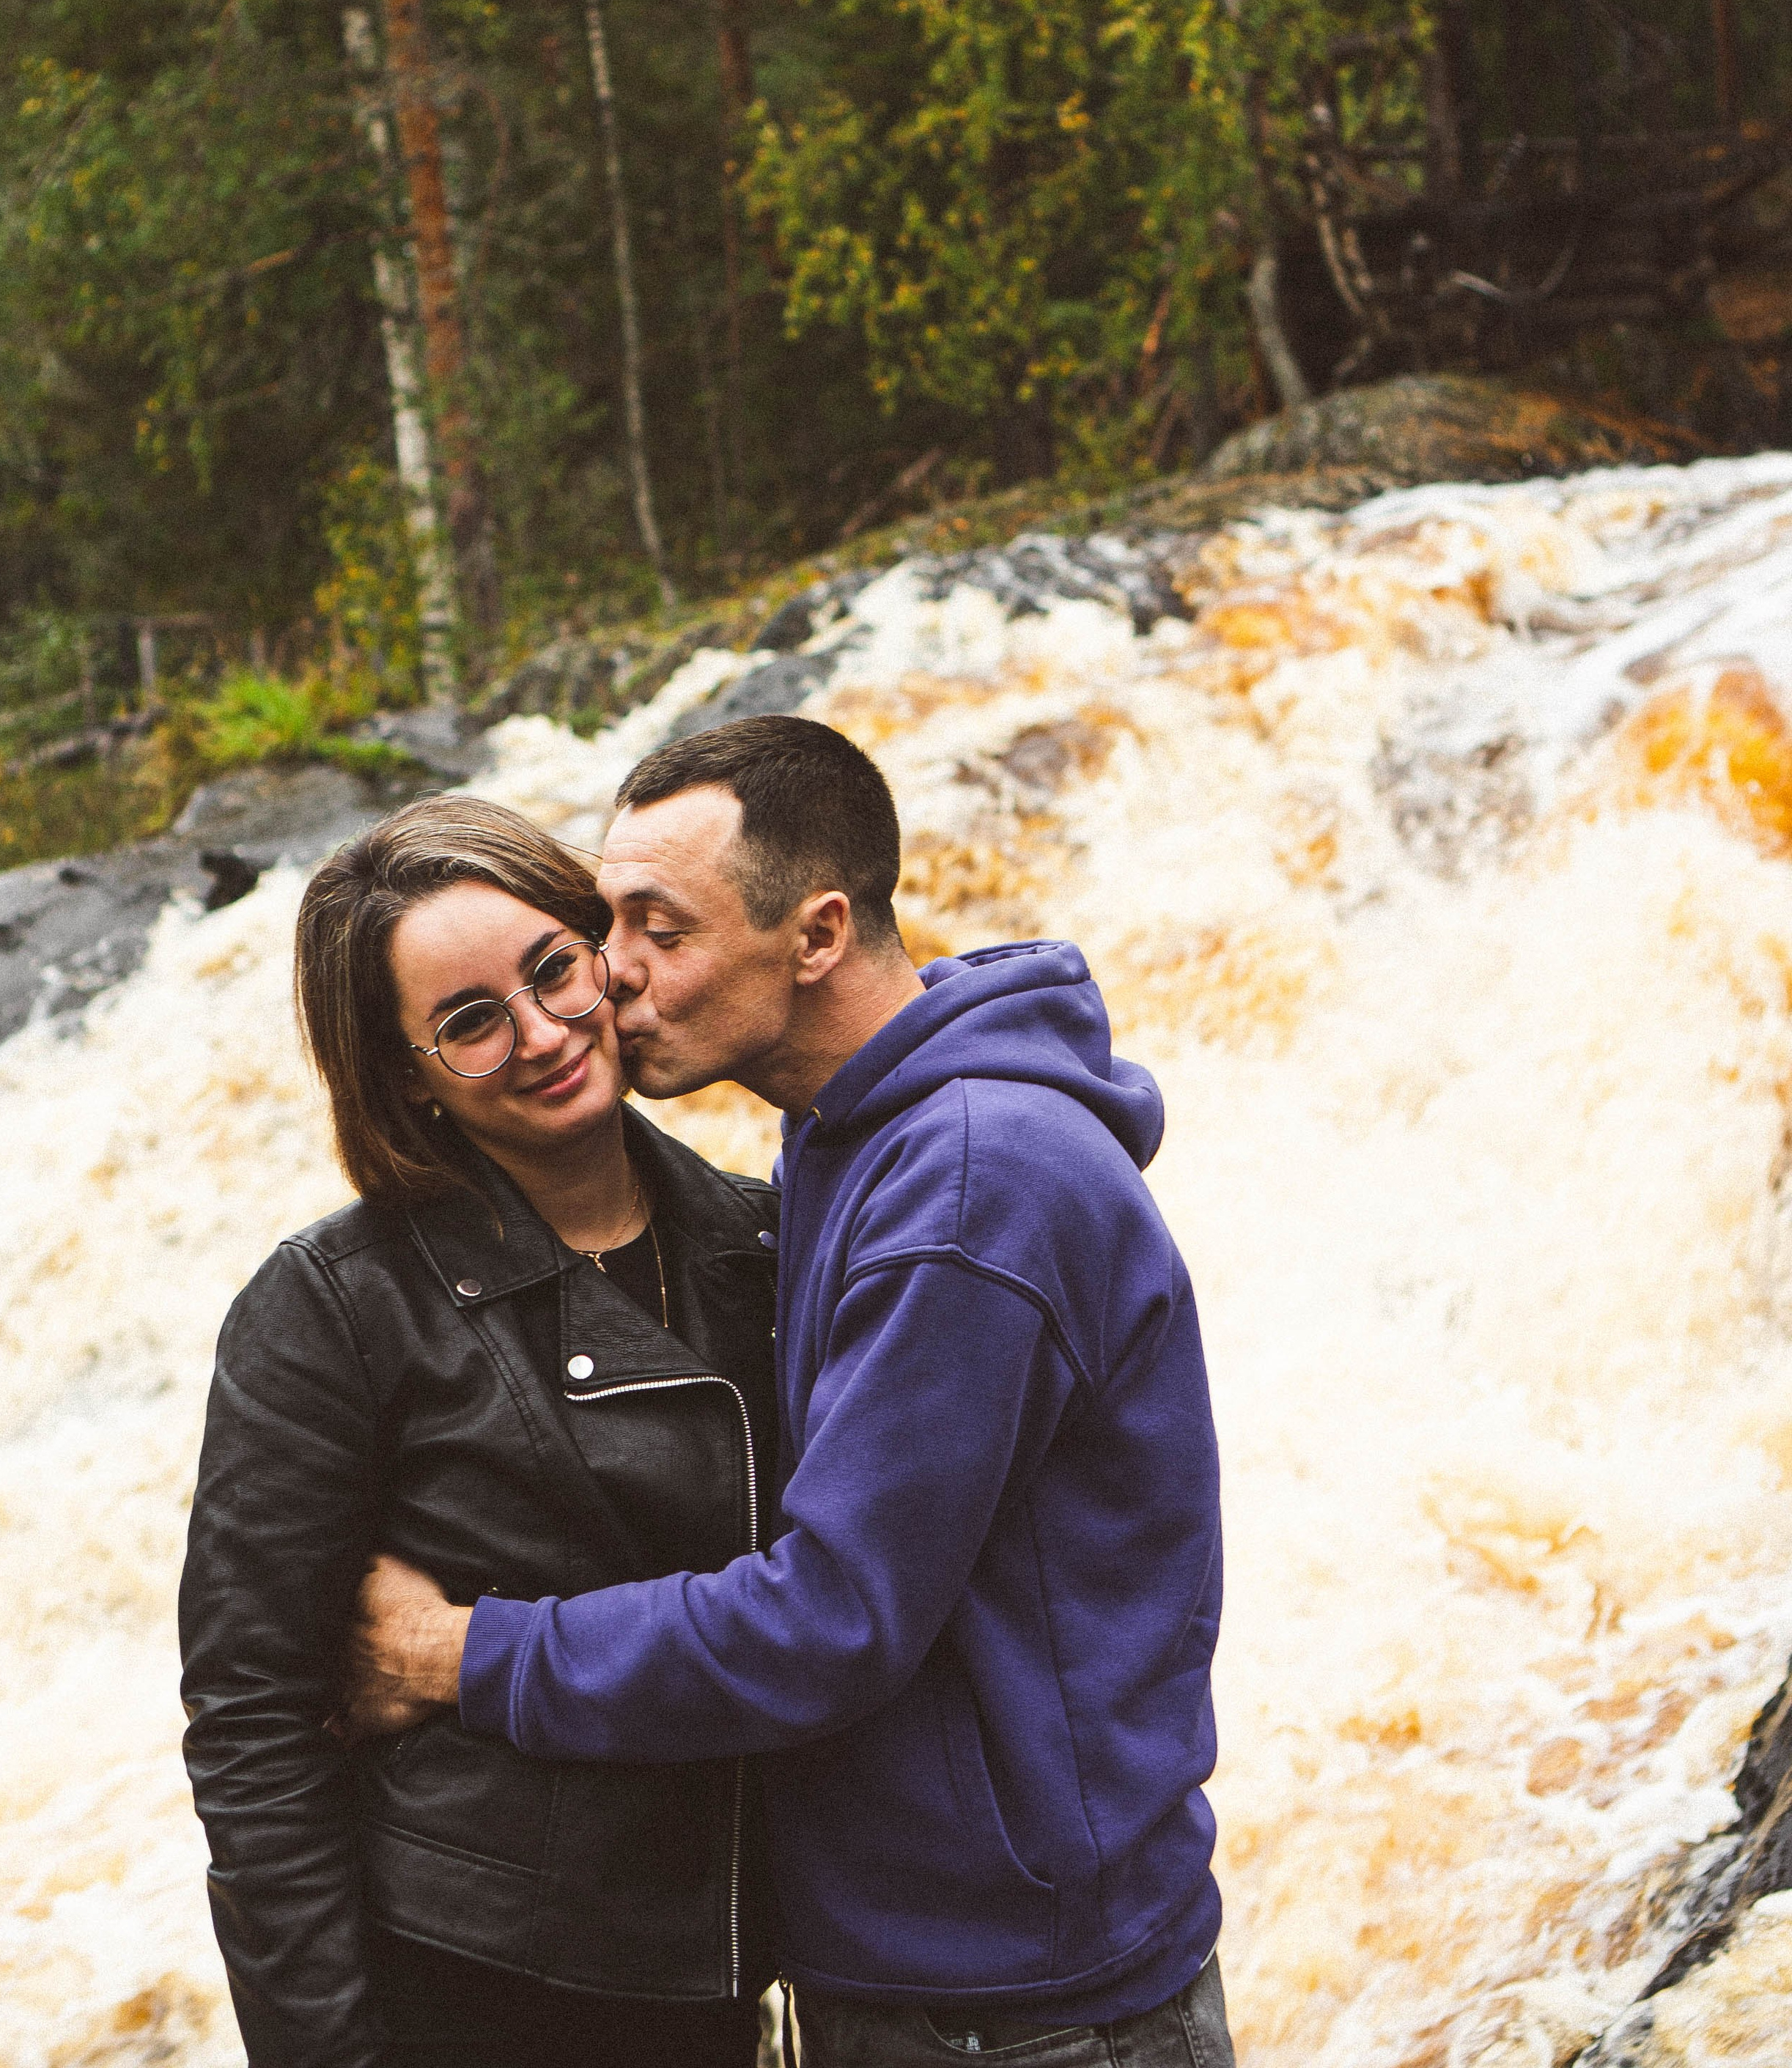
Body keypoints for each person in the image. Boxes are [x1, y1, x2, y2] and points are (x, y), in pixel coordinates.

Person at [347, 717, 1233, 2068]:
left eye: (659, 928)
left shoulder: (969, 1191)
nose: (609, 977)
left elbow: (831, 1619)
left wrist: (461, 1655)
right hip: (934, 1965)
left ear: (815, 935)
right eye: (607, 920)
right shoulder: (849, 1137)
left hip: (1025, 2007)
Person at [177, 797, 780, 2068]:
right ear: (406, 1075)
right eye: (467, 1022)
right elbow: (252, 1726)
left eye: (553, 971)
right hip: (475, 1989)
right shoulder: (334, 1307)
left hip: (732, 1975)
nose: (543, 1033)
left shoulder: (761, 1241)